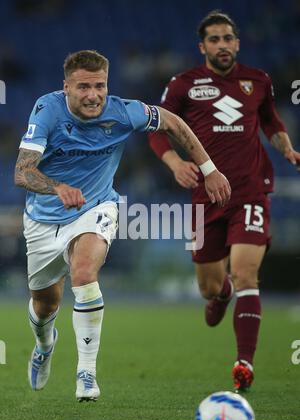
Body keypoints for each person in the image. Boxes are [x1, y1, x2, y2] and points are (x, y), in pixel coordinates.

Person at [15, 50, 230, 401]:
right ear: (66, 87)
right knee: (44, 304)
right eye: (83, 87)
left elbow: (174, 123)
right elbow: (22, 171)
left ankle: (86, 374)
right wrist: (58, 187)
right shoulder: (47, 109)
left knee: (84, 274)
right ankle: (44, 345)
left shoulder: (124, 111)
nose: (93, 95)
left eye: (99, 85)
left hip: (96, 206)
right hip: (43, 217)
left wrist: (209, 170)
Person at [149, 10, 300, 392]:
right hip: (204, 196)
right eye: (214, 40)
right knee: (209, 288)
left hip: (250, 190)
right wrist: (173, 162)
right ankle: (222, 294)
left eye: (227, 38)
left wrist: (287, 149)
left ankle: (243, 363)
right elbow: (158, 130)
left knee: (246, 273)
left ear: (237, 42)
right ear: (203, 47)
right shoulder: (183, 85)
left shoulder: (259, 81)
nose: (222, 45)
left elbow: (271, 122)